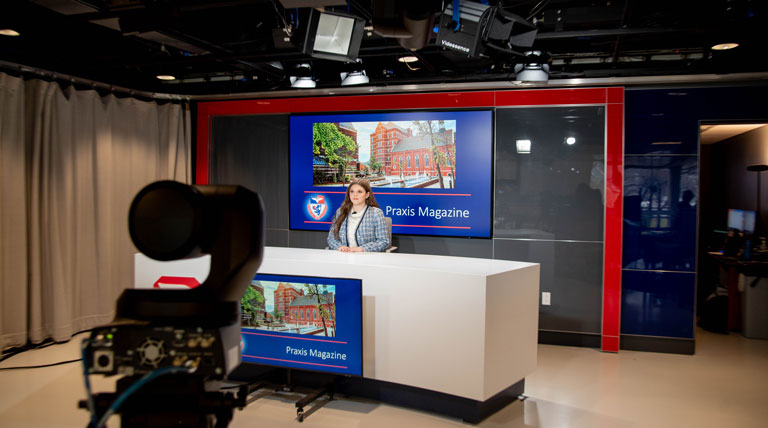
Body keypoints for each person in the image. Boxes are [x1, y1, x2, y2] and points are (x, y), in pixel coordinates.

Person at [327, 179, 390, 252]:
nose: (355, 194)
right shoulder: (340, 211)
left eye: (359, 192)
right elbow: (331, 238)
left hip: (367, 258)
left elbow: (383, 241)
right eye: (352, 191)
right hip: (344, 256)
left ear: (367, 195)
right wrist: (340, 247)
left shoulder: (376, 213)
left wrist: (361, 249)